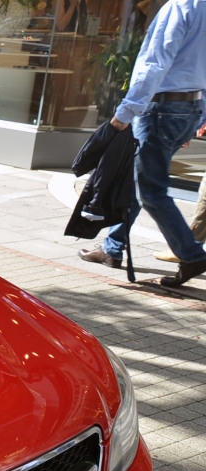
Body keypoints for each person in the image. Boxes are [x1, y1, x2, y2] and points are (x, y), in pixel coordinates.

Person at [77, 0, 206, 288]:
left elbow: (156, 61)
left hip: (162, 108)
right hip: (186, 106)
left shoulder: (180, 6)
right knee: (139, 179)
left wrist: (124, 113)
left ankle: (192, 255)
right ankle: (112, 247)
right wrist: (197, 115)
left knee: (151, 191)